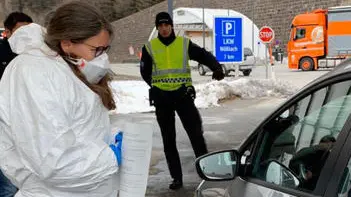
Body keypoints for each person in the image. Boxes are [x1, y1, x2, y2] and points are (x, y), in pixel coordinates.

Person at [0, 2, 123, 197]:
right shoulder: (35, 73)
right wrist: (110, 157)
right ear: (67, 43)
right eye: (97, 50)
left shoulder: (64, 68)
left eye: (105, 49)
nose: (103, 58)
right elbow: (54, 161)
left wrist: (108, 137)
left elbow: (77, 125)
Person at [140, 11, 225, 190]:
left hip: (182, 96)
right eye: (160, 26)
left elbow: (202, 55)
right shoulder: (150, 47)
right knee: (168, 140)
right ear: (157, 28)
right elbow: (145, 72)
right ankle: (176, 178)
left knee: (196, 135)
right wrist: (157, 88)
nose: (164, 28)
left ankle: (206, 172)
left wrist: (216, 66)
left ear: (171, 26)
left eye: (166, 25)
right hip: (162, 100)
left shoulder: (183, 43)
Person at [0, 11, 32, 197]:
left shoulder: (37, 56)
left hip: (24, 122)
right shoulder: (2, 51)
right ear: (9, 33)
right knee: (8, 182)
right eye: (21, 31)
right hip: (4, 121)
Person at [0, 12, 32, 80]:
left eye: (30, 30)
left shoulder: (39, 50)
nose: (26, 35)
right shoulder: (2, 52)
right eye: (21, 32)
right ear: (7, 32)